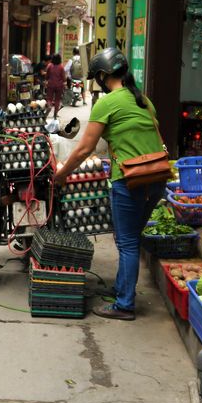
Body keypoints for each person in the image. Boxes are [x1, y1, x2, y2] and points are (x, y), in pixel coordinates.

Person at [54, 48, 165, 321]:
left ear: (103, 76)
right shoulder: (144, 101)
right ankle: (121, 289)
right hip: (157, 178)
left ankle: (125, 304)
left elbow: (83, 150)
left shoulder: (107, 102)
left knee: (126, 242)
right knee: (131, 239)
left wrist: (62, 175)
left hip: (130, 180)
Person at [45, 53, 67, 119]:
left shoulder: (49, 66)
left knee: (49, 98)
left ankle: (49, 106)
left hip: (51, 84)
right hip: (59, 86)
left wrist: (47, 80)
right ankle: (55, 115)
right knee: (57, 100)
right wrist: (64, 83)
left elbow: (46, 76)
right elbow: (64, 78)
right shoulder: (61, 67)